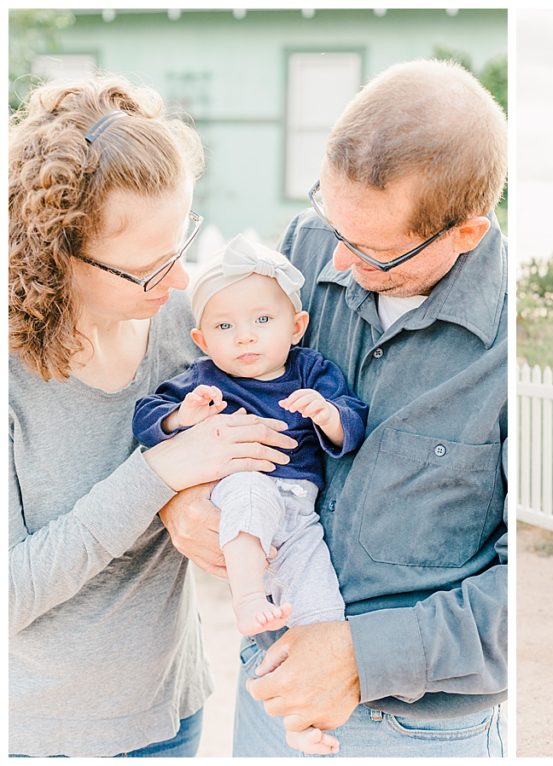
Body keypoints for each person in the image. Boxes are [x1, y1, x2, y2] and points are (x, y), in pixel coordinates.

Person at [158, 59, 508, 757]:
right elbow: (207, 385)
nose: (338, 263)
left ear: (465, 233)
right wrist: (185, 498)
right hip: (268, 688)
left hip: (411, 730)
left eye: (372, 251)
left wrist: (365, 654)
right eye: (331, 220)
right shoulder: (306, 244)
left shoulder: (507, 341)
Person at [8, 76, 295, 757]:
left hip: (171, 716)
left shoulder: (180, 332)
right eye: (148, 269)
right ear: (55, 257)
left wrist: (188, 496)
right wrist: (158, 472)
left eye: (181, 247)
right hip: (36, 734)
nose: (179, 284)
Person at [132, 235, 368, 755]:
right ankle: (246, 597)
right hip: (238, 491)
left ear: (296, 326)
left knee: (320, 606)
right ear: (201, 338)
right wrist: (184, 417)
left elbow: (352, 417)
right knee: (252, 495)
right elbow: (147, 418)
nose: (245, 338)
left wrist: (327, 415)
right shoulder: (203, 380)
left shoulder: (310, 371)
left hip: (300, 513)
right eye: (224, 326)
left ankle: (302, 721)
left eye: (263, 321)